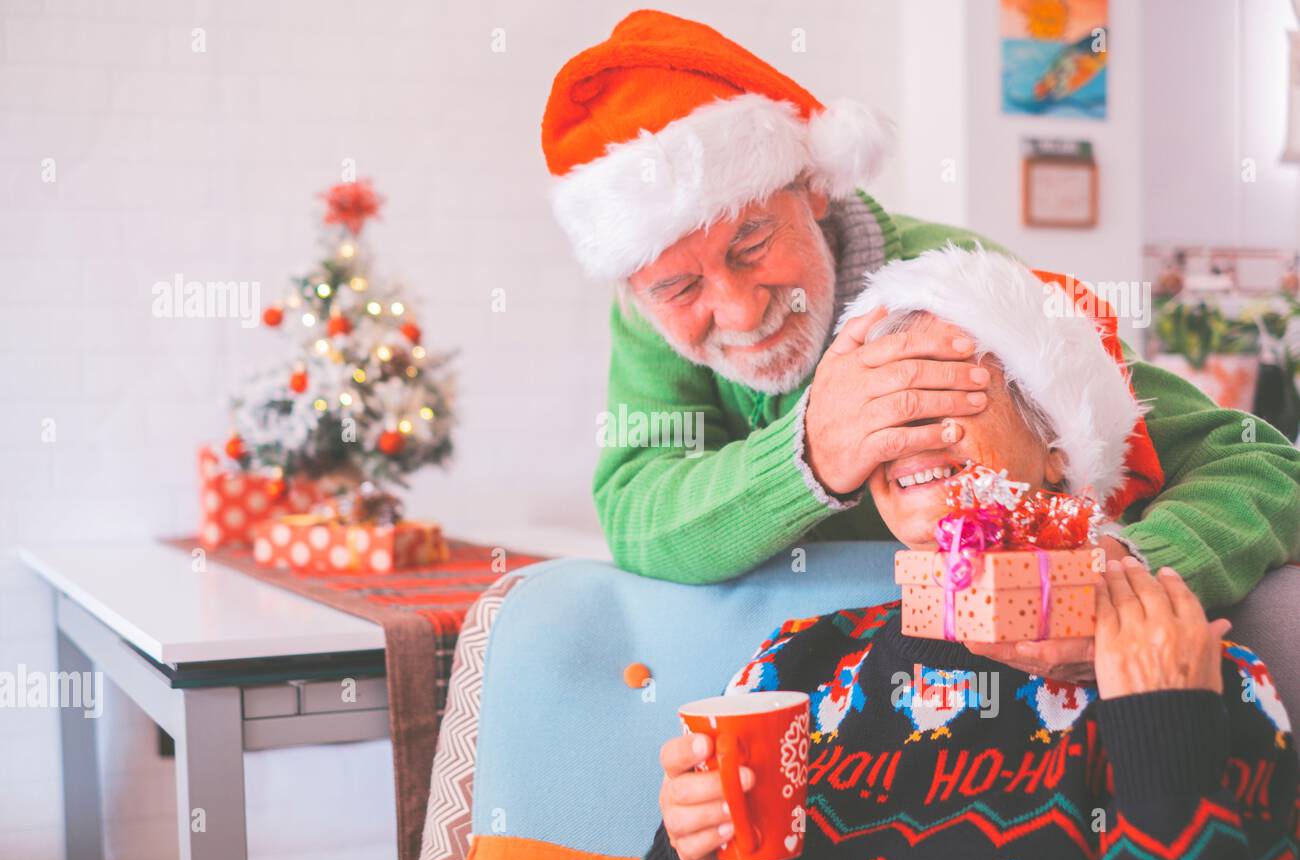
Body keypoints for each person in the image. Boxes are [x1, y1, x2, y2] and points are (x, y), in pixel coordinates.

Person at [540, 11, 1300, 686]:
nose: (737, 309)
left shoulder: (966, 293)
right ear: (639, 291)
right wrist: (806, 456)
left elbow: (1260, 464)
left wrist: (1123, 573)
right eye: (678, 289)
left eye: (752, 242)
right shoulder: (654, 320)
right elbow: (636, 510)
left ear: (812, 189)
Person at [642, 247, 1298, 860]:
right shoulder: (790, 668)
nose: (907, 432)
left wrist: (1164, 733)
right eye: (882, 405)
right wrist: (687, 849)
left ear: (1057, 445)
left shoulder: (1181, 665)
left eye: (949, 392)